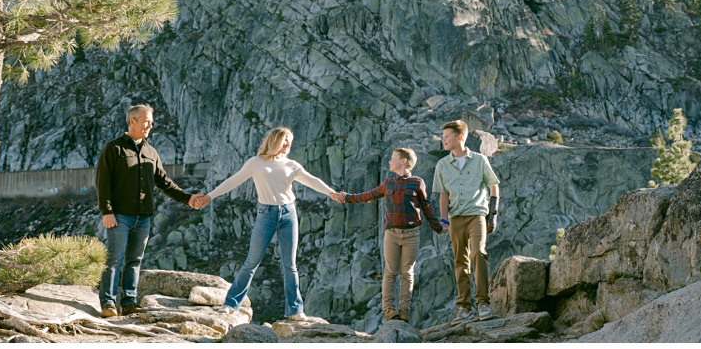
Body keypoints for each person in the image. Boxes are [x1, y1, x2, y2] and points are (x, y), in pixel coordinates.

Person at [193, 126, 342, 321]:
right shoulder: (256, 163)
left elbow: (312, 180)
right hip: (266, 214)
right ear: (274, 141)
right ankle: (230, 304)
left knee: (290, 265)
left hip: (289, 213)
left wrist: (332, 192)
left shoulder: (292, 165)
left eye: (290, 141)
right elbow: (233, 181)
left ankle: (295, 310)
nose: (288, 145)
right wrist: (209, 196)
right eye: (285, 140)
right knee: (251, 262)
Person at [95, 104, 204, 318]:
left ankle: (128, 302)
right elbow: (103, 183)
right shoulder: (114, 148)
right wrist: (106, 211)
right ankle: (107, 303)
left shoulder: (151, 152)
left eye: (151, 122)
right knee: (114, 259)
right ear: (132, 121)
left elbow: (165, 183)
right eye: (146, 121)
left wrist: (188, 199)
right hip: (119, 217)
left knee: (134, 261)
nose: (150, 126)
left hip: (143, 218)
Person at [337, 147, 444, 323]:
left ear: (403, 161)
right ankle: (389, 311)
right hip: (391, 235)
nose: (389, 161)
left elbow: (426, 207)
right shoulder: (388, 183)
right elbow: (368, 196)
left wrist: (437, 227)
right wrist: (348, 197)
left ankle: (404, 312)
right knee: (390, 272)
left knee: (407, 273)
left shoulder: (417, 183)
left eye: (393, 158)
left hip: (412, 235)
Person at [431, 119, 500, 322]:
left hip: (477, 214)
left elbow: (494, 185)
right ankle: (463, 308)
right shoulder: (442, 165)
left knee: (479, 253)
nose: (443, 140)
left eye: (447, 137)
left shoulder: (479, 160)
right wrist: (443, 220)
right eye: (442, 137)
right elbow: (443, 195)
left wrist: (493, 214)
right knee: (460, 261)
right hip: (455, 218)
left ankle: (483, 304)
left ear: (459, 137)